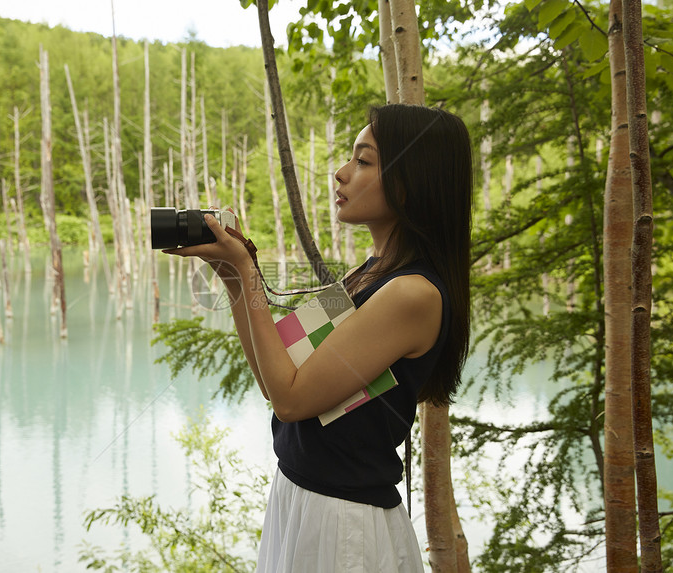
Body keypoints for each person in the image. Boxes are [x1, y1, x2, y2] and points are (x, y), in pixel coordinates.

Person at [163, 103, 472, 573]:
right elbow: (280, 378)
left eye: (363, 161)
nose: (341, 173)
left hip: (343, 523)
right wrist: (230, 273)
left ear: (411, 181)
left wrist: (247, 270)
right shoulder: (367, 275)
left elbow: (289, 400)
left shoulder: (411, 293)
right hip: (300, 498)